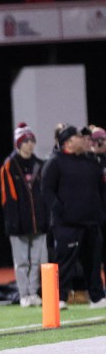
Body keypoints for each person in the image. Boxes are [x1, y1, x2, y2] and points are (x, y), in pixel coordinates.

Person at [41, 124, 106, 310]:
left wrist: (100, 211)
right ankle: (60, 298)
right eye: (79, 137)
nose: (85, 140)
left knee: (93, 262)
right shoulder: (55, 161)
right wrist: (59, 210)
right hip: (67, 225)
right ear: (68, 142)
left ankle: (97, 297)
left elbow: (100, 189)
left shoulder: (90, 161)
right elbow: (46, 189)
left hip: (91, 222)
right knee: (65, 262)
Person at [0, 123, 47, 307]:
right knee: (22, 262)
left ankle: (34, 292)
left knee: (36, 261)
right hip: (18, 224)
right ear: (18, 144)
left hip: (38, 222)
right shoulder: (9, 166)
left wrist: (44, 218)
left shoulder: (39, 165)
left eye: (31, 140)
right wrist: (12, 223)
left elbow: (43, 195)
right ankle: (24, 294)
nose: (29, 144)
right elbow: (7, 197)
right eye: (25, 141)